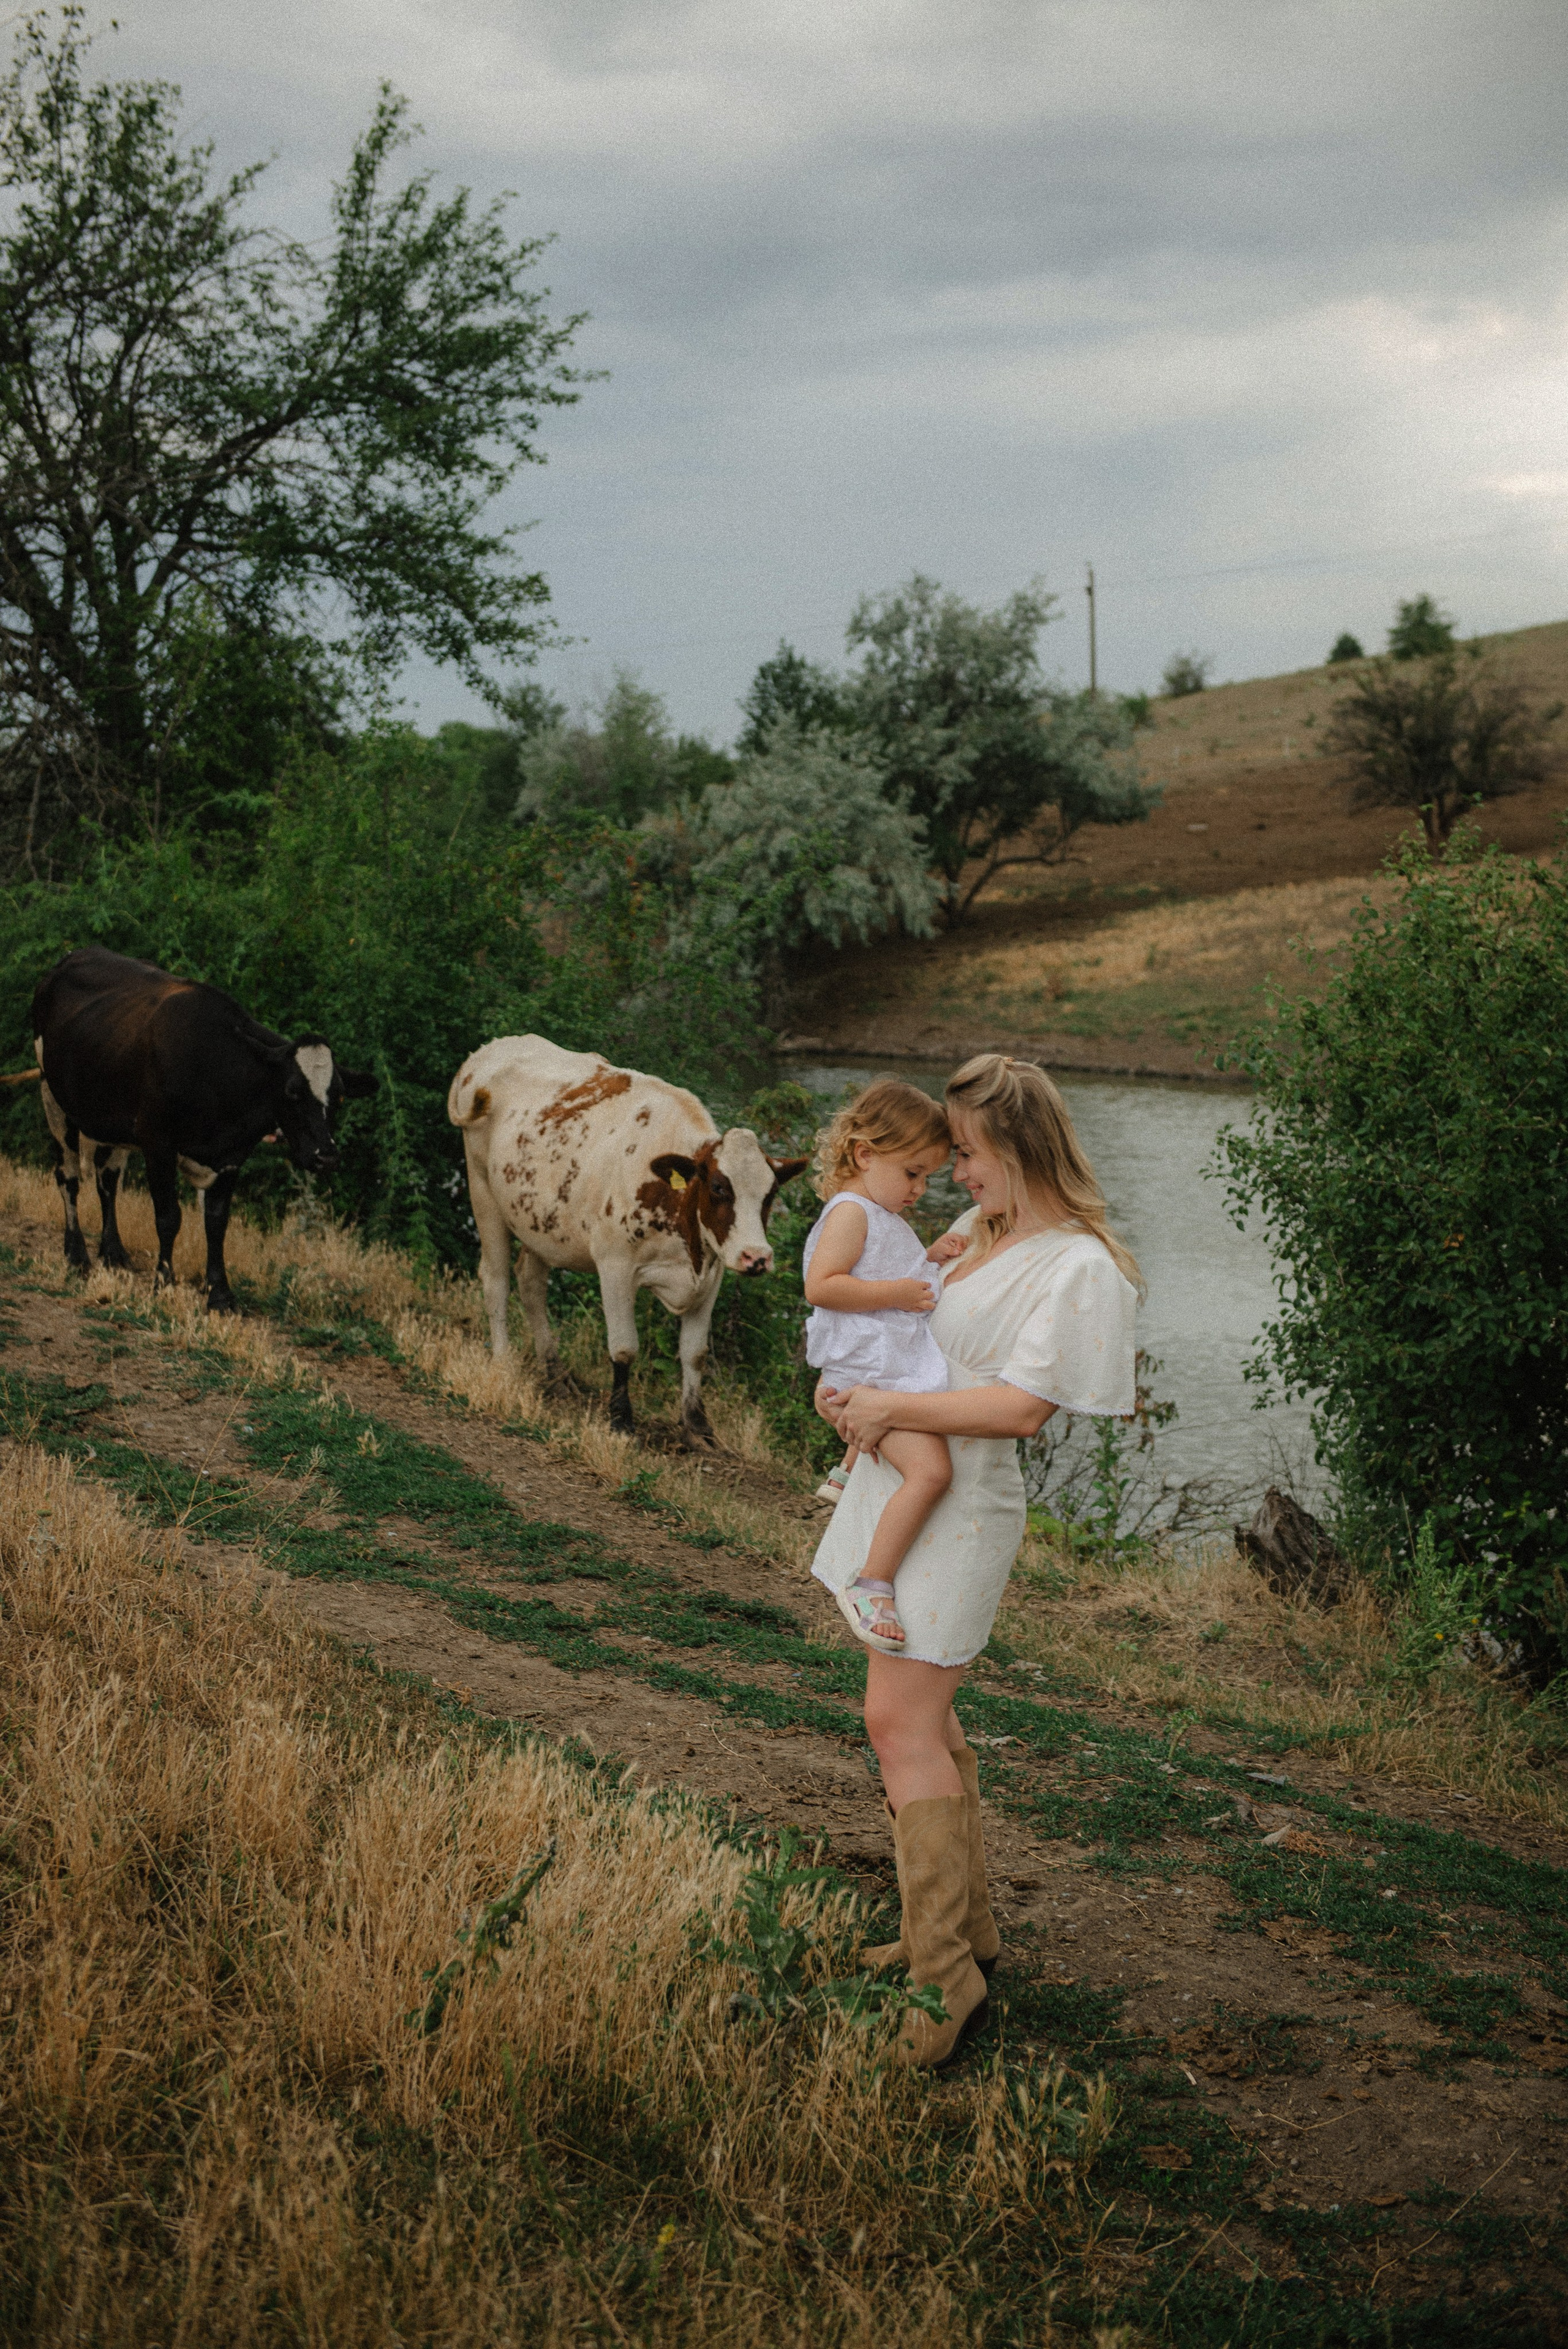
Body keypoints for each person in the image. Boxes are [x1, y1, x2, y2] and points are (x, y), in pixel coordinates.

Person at [812, 1052, 1139, 2068]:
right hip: (906, 1475)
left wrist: (893, 1409)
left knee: (896, 1721)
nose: (954, 1169)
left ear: (1015, 1146)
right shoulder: (991, 1235)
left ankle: (945, 1978)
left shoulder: (1079, 1266)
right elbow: (906, 1328)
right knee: (927, 1718)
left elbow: (1024, 1410)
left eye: (967, 1151)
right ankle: (952, 1938)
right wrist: (856, 1397)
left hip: (965, 1502)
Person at [801, 1081, 957, 1652]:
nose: (919, 1189)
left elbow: (888, 1271)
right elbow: (823, 1286)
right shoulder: (850, 1211)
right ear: (865, 1154)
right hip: (866, 1375)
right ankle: (872, 1585)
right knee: (932, 1474)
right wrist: (899, 1289)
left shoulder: (876, 1210)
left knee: (928, 1468)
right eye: (912, 1173)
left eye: (928, 1178)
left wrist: (930, 1256)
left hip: (873, 1371)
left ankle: (846, 1470)